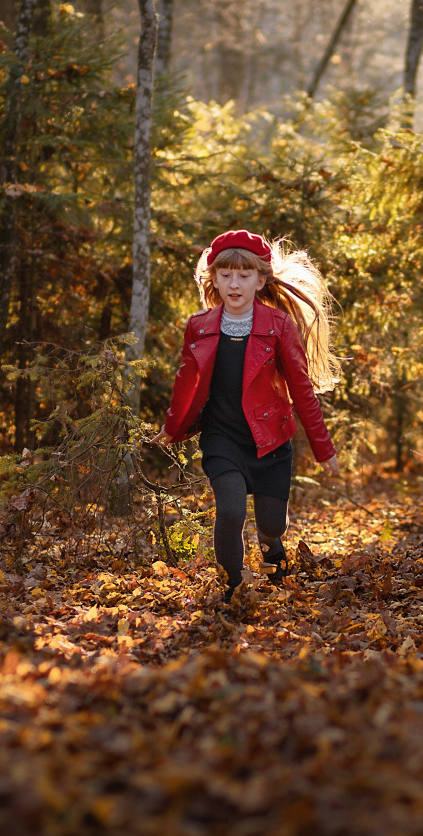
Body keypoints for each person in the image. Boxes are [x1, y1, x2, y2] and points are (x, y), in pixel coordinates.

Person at [154, 230, 341, 603]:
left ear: (260, 280)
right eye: (225, 275)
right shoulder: (200, 325)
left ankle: (273, 549)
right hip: (222, 439)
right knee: (231, 511)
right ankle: (233, 589)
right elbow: (186, 381)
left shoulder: (279, 326)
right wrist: (172, 426)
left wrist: (325, 450)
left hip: (271, 442)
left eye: (243, 275)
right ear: (214, 278)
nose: (234, 284)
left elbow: (301, 391)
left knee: (272, 524)